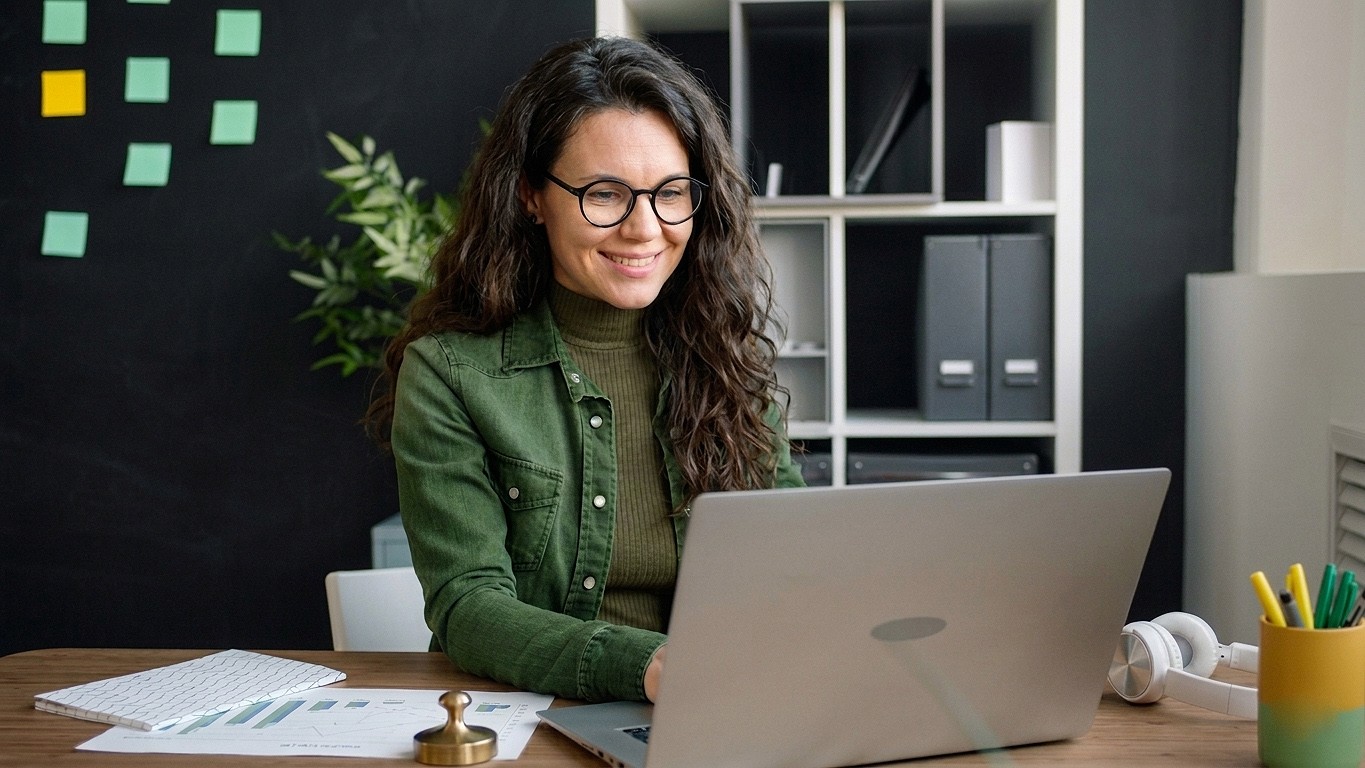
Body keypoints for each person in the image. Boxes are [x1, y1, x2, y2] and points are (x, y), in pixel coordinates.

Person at [365, 35, 805, 704]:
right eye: (605, 195)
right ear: (530, 196)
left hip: (725, 703)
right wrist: (650, 667)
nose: (644, 229)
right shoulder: (451, 374)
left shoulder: (726, 359)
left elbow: (802, 556)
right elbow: (468, 607)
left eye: (670, 193)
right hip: (538, 717)